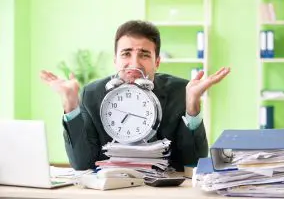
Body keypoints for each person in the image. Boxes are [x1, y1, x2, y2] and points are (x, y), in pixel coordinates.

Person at [40, 20, 230, 171]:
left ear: (157, 62)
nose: (134, 62)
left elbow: (193, 163)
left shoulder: (182, 91)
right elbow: (82, 164)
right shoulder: (92, 94)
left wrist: (192, 104)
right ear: (115, 60)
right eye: (126, 53)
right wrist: (71, 104)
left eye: (144, 55)